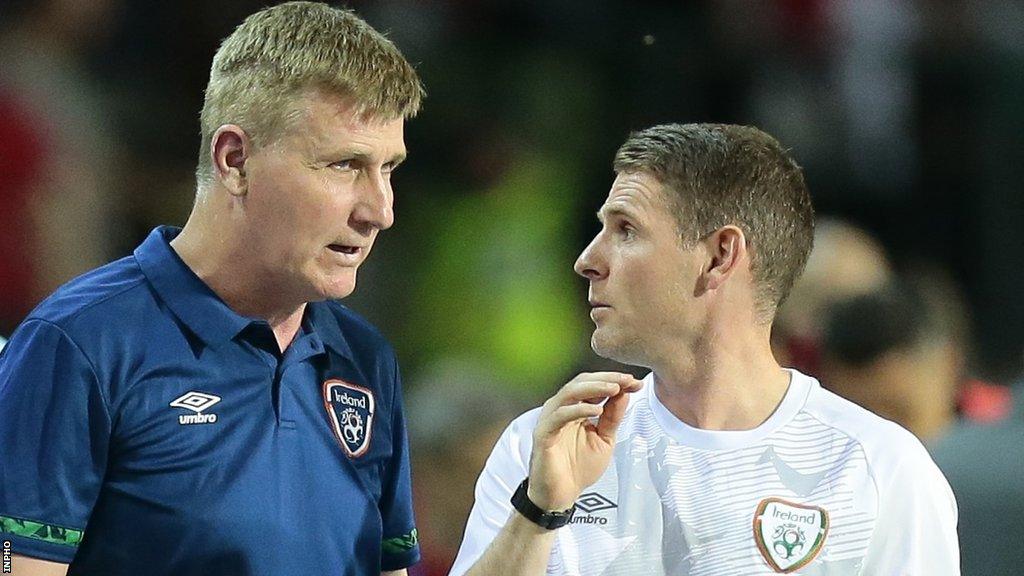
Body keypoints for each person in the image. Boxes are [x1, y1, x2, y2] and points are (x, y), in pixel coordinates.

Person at [0, 2, 424, 575]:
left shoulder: (365, 361)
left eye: (389, 168)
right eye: (345, 165)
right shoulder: (78, 345)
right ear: (234, 159)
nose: (381, 211)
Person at [448, 124, 959, 575]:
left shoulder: (878, 469)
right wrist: (539, 511)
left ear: (719, 257)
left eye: (626, 230)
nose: (588, 259)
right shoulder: (540, 450)